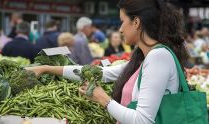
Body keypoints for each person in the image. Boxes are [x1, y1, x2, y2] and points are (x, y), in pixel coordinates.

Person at [26, 0, 189, 123]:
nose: (119, 29)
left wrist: (102, 98)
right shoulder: (145, 57)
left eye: (122, 21)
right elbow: (102, 73)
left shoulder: (158, 57)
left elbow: (142, 120)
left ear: (137, 22)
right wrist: (47, 68)